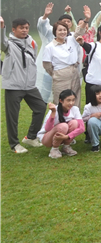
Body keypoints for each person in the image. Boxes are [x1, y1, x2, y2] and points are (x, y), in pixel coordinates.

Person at [1, 17, 48, 153]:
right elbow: (1, 42)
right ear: (13, 29)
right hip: (14, 85)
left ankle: (31, 137)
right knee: (13, 116)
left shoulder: (32, 42)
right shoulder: (8, 44)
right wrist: (1, 27)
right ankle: (14, 144)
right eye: (21, 28)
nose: (24, 30)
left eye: (26, 28)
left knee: (40, 107)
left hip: (30, 85)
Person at [42, 21, 83, 106]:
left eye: (64, 30)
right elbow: (47, 65)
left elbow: (80, 32)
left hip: (74, 73)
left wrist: (86, 20)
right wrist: (56, 74)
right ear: (55, 32)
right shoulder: (49, 47)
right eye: (60, 30)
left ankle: (75, 115)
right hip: (60, 75)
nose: (62, 32)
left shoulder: (71, 40)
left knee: (75, 99)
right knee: (61, 100)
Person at [38, 89, 84, 159]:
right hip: (47, 138)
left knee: (75, 123)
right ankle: (54, 149)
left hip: (63, 136)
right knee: (63, 126)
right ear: (61, 101)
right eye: (68, 100)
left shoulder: (75, 109)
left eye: (73, 100)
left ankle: (66, 147)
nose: (71, 103)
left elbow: (82, 128)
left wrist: (67, 137)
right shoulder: (54, 110)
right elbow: (48, 129)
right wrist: (53, 112)